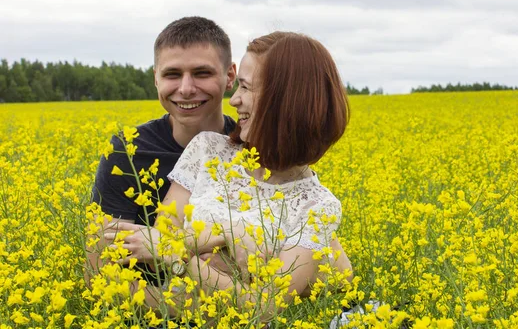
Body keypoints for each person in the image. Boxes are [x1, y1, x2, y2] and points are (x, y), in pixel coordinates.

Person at [106, 31, 354, 323]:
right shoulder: (207, 149)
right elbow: (163, 232)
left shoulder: (317, 207)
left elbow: (263, 308)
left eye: (247, 88)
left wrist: (181, 257)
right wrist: (230, 233)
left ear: (285, 102)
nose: (234, 100)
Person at [87, 16, 237, 276]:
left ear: (230, 76)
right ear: (156, 78)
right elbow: (99, 274)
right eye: (172, 74)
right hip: (145, 315)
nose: (186, 88)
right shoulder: (128, 151)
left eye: (202, 73)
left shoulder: (255, 151)